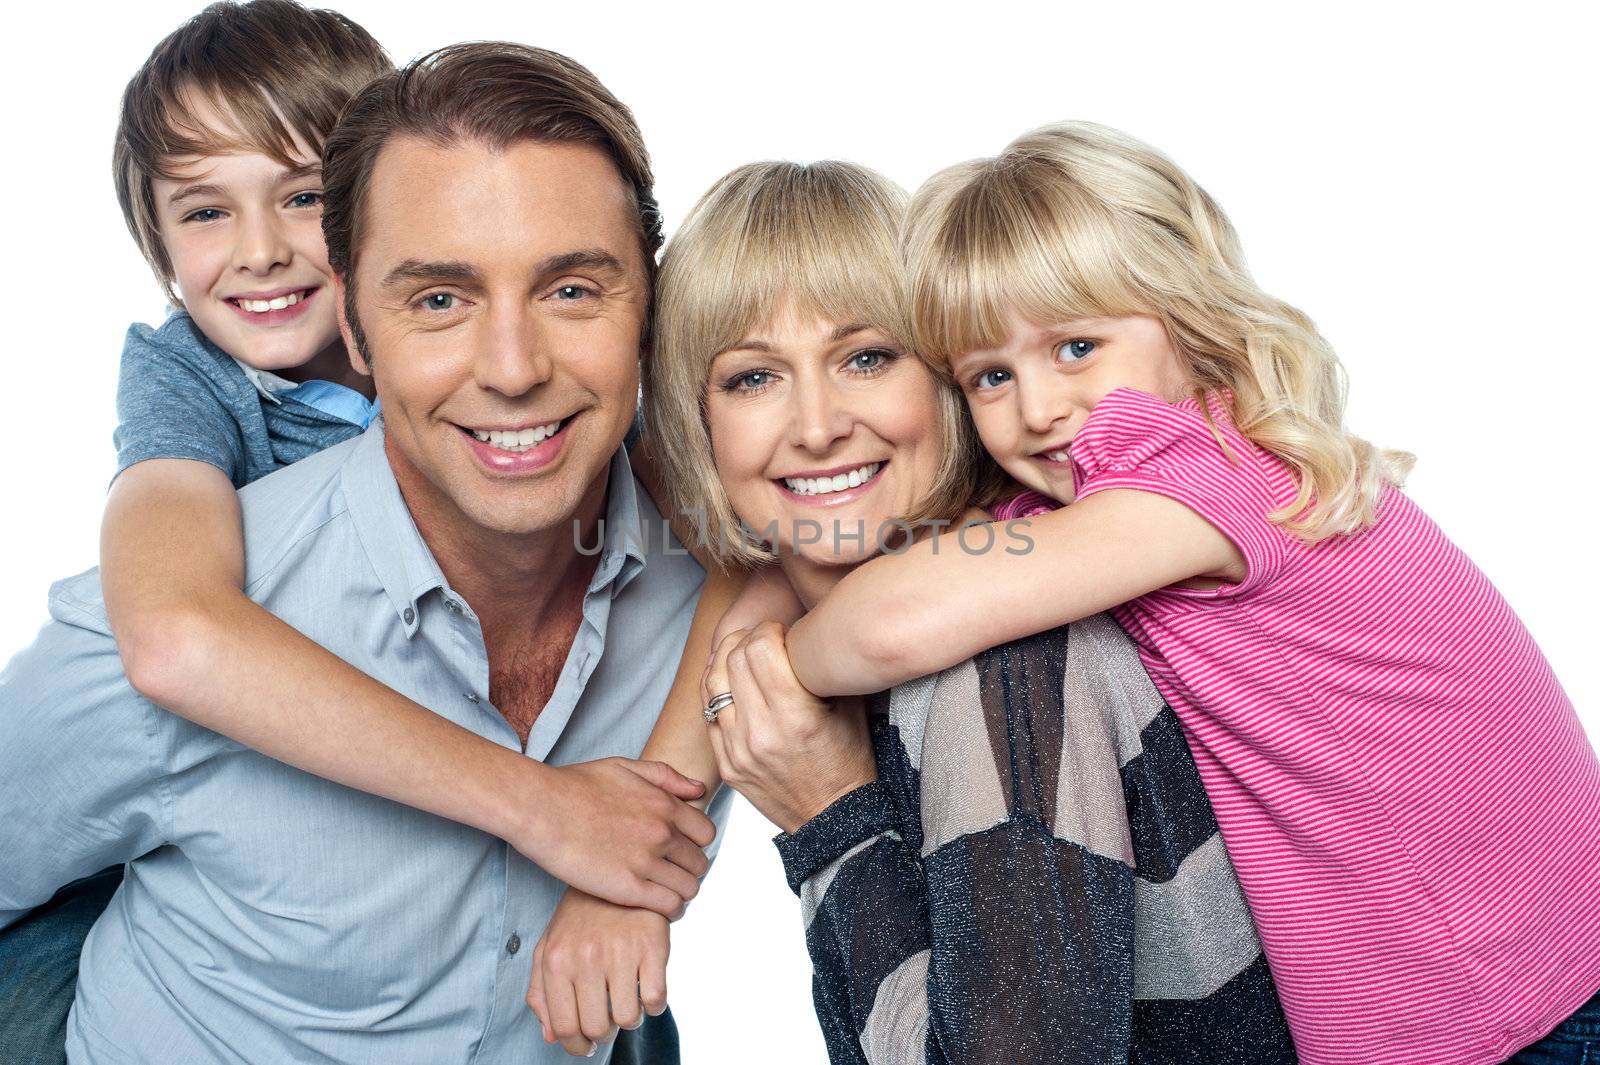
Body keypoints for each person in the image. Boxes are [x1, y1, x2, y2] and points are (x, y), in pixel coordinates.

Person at [757, 123, 1600, 1064]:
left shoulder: (1199, 475)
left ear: (1187, 319)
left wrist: (772, 672)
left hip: (1517, 1007)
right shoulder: (1114, 488)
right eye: (991, 375)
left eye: (1076, 346)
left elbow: (892, 621)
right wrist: (758, 582)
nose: (1036, 408)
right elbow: (931, 552)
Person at [0, 40, 734, 1064]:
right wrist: (545, 810)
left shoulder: (710, 549)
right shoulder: (183, 555)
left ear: (653, 307)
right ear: (358, 316)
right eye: (438, 298)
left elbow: (818, 551)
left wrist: (635, 885)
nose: (513, 369)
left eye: (571, 290)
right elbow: (171, 640)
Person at [531, 158, 1299, 1063]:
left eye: (867, 357)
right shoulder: (890, 609)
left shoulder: (999, 663)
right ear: (695, 425)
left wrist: (831, 812)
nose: (816, 426)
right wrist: (628, 880)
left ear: (946, 380)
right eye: (751, 378)